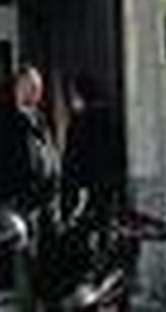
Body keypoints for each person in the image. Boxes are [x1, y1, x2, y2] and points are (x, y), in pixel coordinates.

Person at [4, 63, 61, 308]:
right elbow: (7, 162)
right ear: (20, 87)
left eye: (39, 87)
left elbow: (48, 154)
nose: (39, 92)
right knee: (24, 258)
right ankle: (26, 305)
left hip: (44, 202)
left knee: (41, 259)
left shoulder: (39, 118)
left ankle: (40, 302)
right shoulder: (9, 119)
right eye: (33, 87)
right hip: (23, 202)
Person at [61, 72, 120, 226]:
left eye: (72, 94)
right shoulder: (108, 118)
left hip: (85, 190)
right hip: (107, 188)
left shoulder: (80, 122)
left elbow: (73, 160)